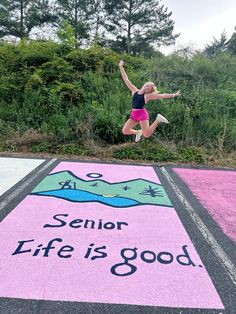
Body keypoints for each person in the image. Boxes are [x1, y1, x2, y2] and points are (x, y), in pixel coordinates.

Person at [119, 59, 181, 142]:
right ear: (144, 84)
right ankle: (138, 132)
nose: (147, 87)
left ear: (149, 90)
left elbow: (162, 95)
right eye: (147, 85)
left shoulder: (147, 96)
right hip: (134, 114)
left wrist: (174, 95)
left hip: (141, 114)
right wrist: (121, 67)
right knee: (125, 130)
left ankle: (158, 119)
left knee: (147, 134)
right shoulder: (134, 90)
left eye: (149, 87)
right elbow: (126, 79)